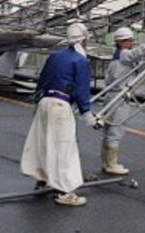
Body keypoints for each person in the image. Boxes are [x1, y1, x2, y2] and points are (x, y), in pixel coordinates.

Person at [20, 22, 97, 207]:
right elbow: (81, 90)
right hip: (61, 106)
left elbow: (42, 82)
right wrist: (87, 115)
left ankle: (42, 180)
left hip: (45, 102)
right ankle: (64, 191)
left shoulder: (55, 57)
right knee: (63, 148)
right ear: (83, 39)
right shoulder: (80, 61)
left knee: (43, 142)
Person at [101, 27, 145, 176]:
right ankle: (111, 164)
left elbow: (141, 61)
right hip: (118, 98)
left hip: (113, 97)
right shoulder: (124, 55)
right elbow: (137, 54)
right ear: (120, 42)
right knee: (116, 130)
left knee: (109, 130)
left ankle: (106, 161)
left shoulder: (120, 57)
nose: (130, 43)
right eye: (128, 40)